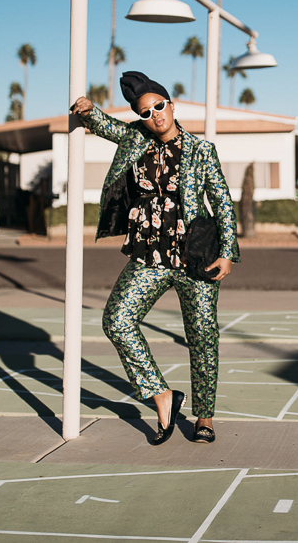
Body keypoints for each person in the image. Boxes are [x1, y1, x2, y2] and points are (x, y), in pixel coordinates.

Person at [71, 71, 239, 446]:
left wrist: (228, 252)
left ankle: (205, 417)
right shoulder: (135, 140)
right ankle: (161, 394)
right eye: (146, 112)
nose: (155, 115)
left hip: (196, 258)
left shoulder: (201, 151)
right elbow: (106, 126)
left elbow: (224, 203)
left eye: (159, 106)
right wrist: (87, 111)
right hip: (150, 255)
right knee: (116, 320)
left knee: (202, 336)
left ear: (171, 105)